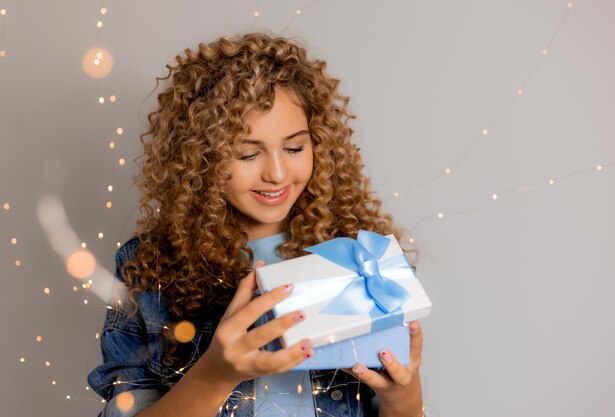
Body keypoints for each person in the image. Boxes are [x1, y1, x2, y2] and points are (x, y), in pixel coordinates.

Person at [88, 31, 424, 417]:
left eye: (295, 148)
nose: (277, 173)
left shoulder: (364, 259)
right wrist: (215, 374)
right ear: (199, 157)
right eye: (247, 154)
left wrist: (405, 398)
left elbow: (402, 404)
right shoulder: (147, 270)